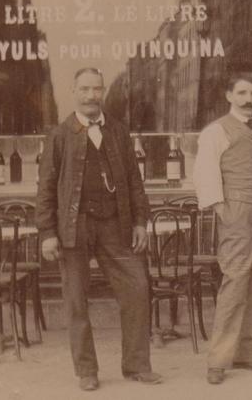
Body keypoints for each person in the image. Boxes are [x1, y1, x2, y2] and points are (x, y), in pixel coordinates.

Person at [36, 67, 161, 391]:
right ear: (74, 92)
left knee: (137, 288)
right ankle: (86, 370)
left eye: (97, 89)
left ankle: (137, 365)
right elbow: (46, 188)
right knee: (76, 299)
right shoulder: (60, 135)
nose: (91, 96)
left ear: (103, 92)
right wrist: (47, 233)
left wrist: (140, 222)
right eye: (85, 89)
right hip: (73, 227)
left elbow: (134, 181)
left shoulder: (118, 131)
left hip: (115, 224)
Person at [193, 72, 252, 384]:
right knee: (235, 281)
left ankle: (244, 351)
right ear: (229, 96)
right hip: (236, 212)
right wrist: (223, 210)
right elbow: (205, 172)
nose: (249, 100)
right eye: (243, 93)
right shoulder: (216, 130)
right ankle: (218, 360)